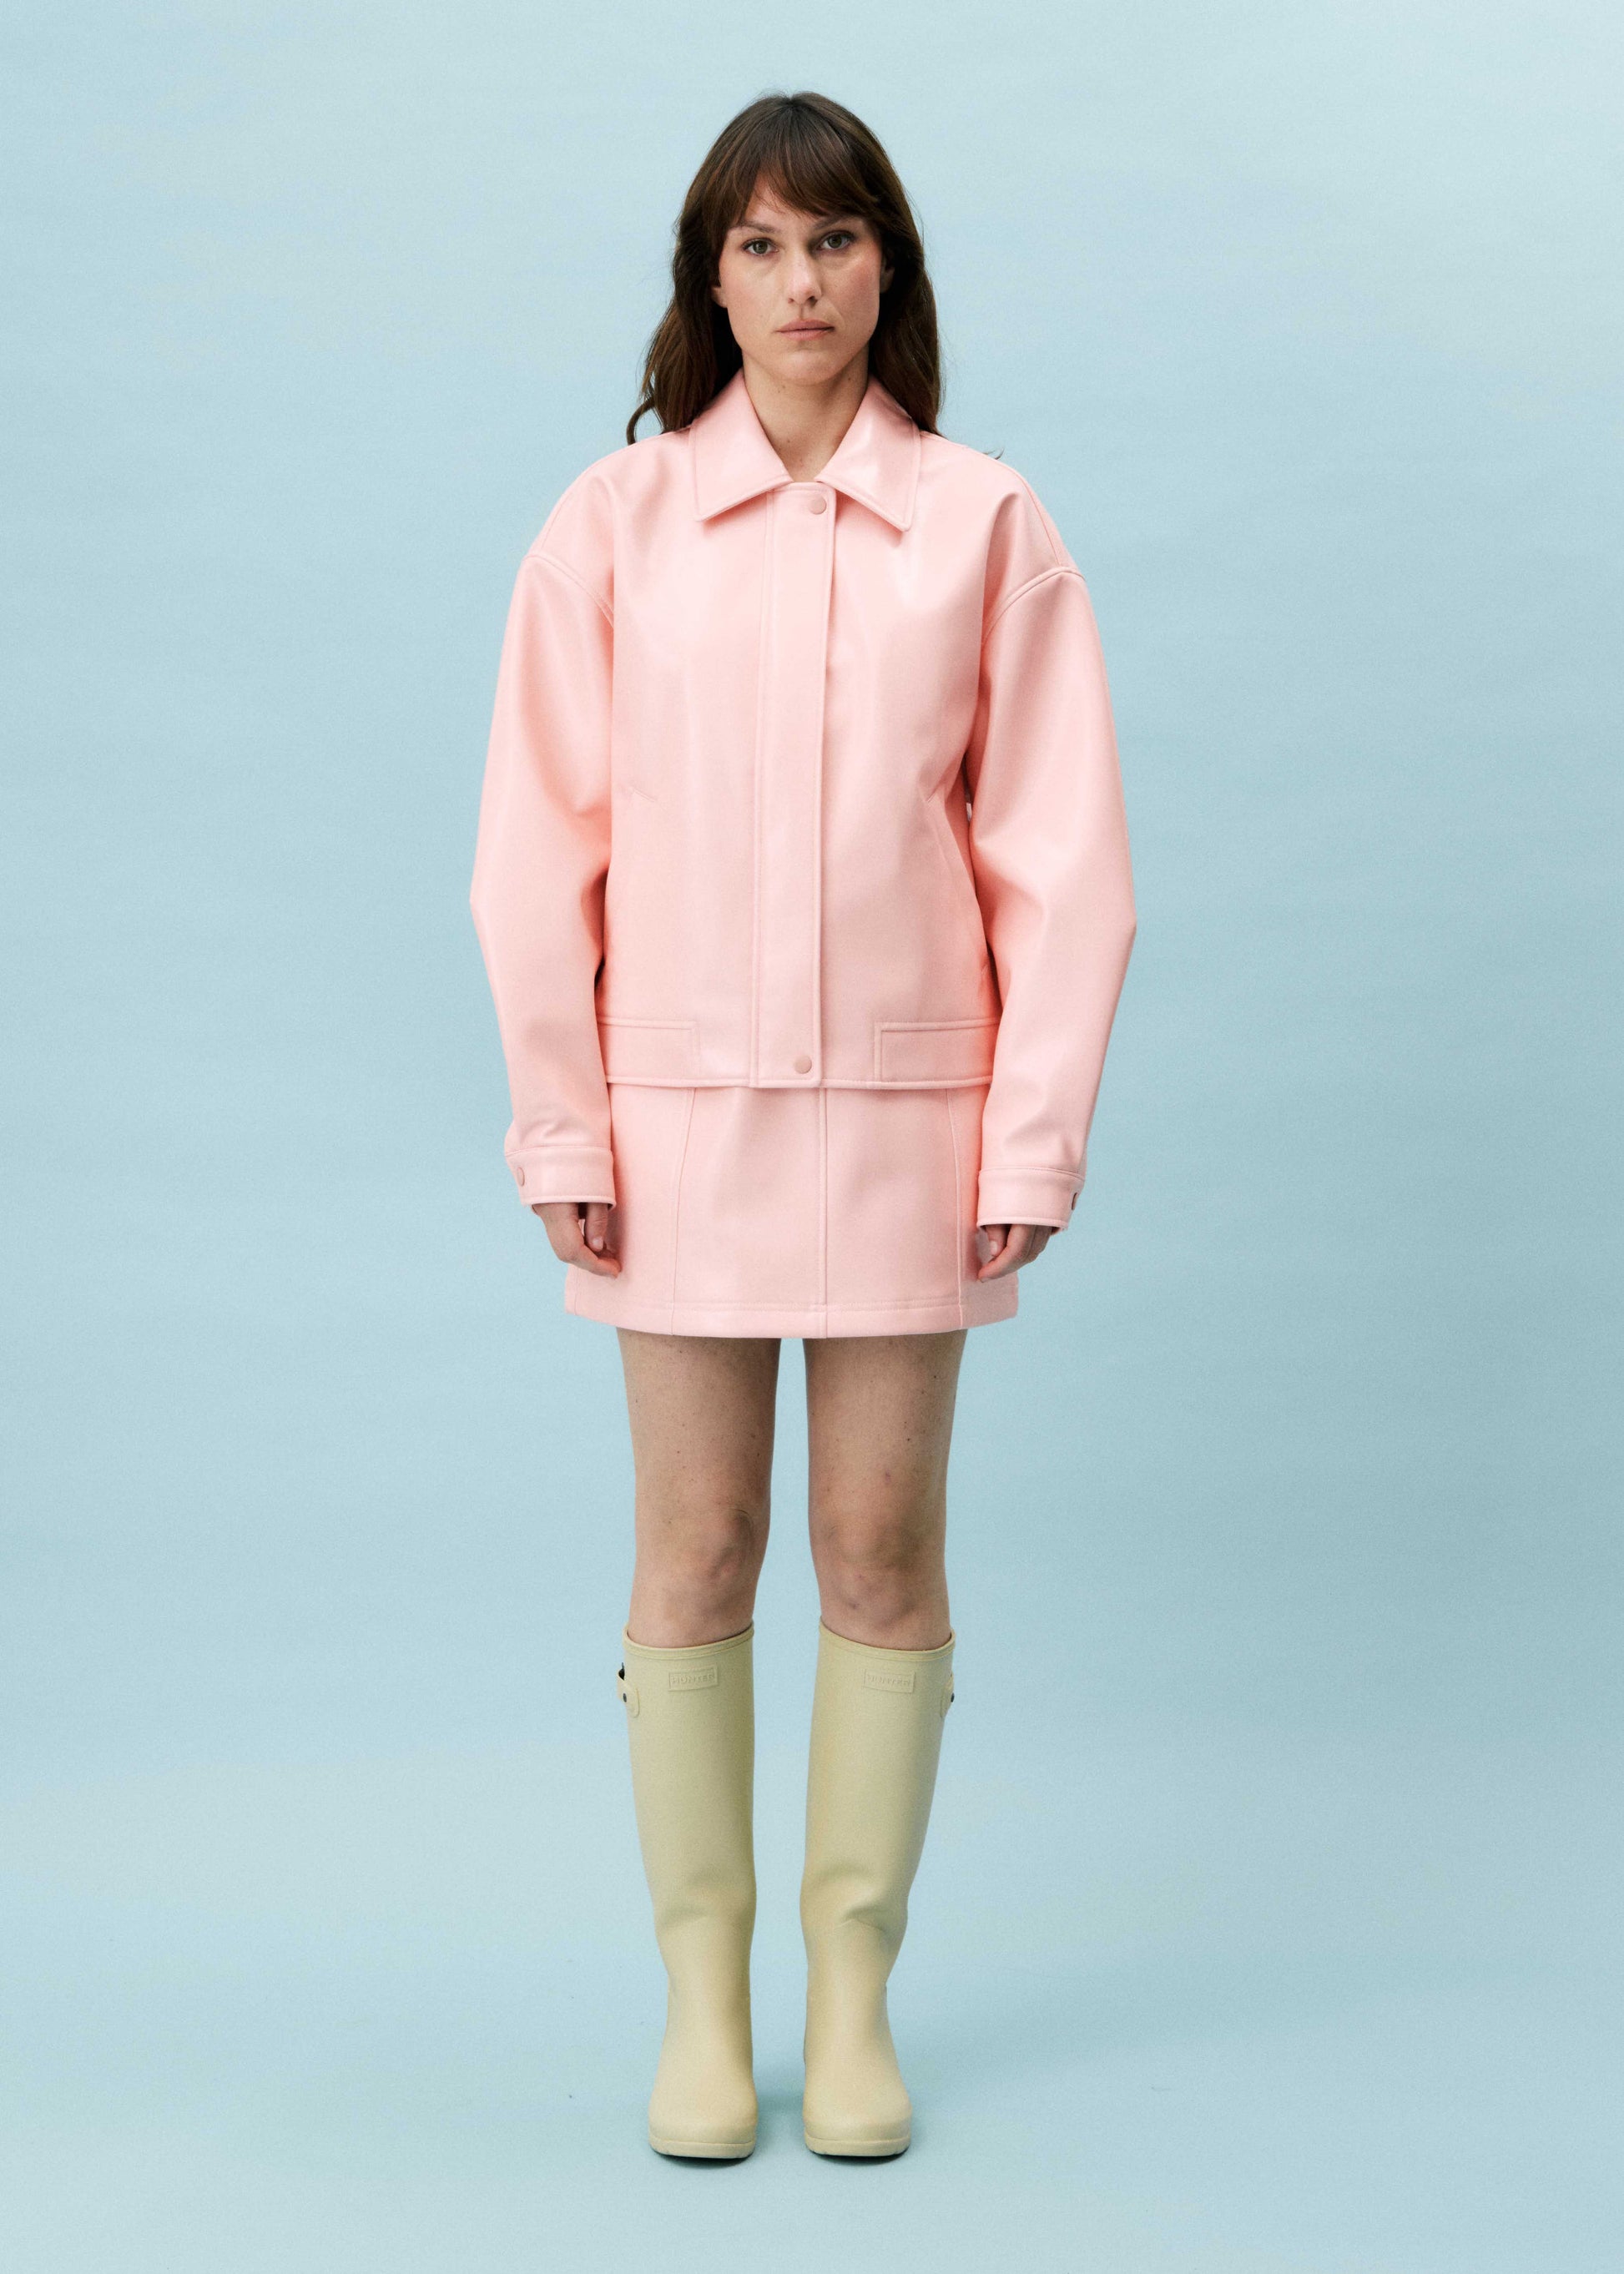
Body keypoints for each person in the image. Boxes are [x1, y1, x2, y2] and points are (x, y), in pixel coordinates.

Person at [470, 90, 1136, 2162]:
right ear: (709, 281)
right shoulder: (612, 525)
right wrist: (562, 1124)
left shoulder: (985, 524)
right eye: (756, 247)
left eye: (834, 241)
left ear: (887, 270)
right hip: (672, 1123)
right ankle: (703, 2007)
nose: (799, 283)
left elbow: (1061, 862)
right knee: (696, 1544)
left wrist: (1028, 1139)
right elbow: (535, 853)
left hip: (907, 1124)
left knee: (875, 1546)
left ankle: (850, 2002)